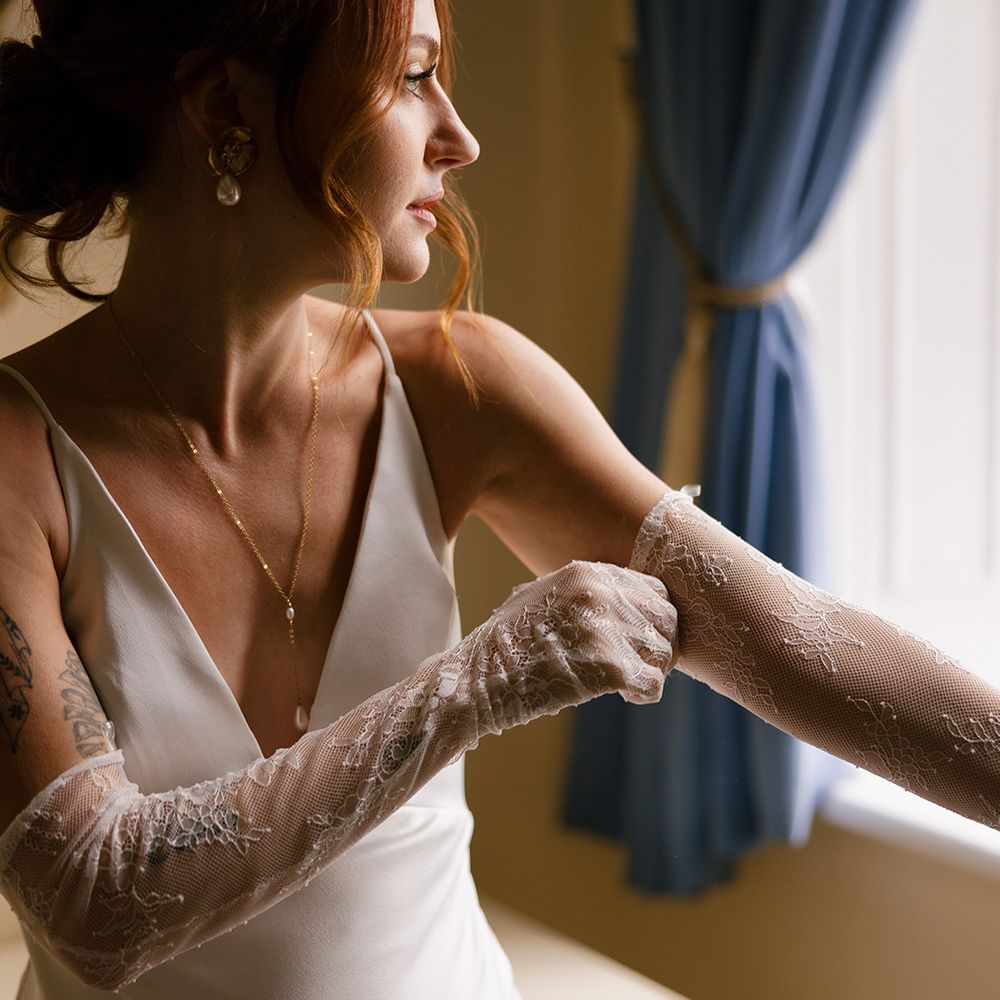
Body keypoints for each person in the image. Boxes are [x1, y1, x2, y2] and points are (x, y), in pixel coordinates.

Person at [2, 1, 1000, 998]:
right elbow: (95, 898)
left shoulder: (465, 389)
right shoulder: (14, 451)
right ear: (227, 105)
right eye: (410, 76)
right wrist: (478, 681)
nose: (460, 137)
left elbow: (789, 633)